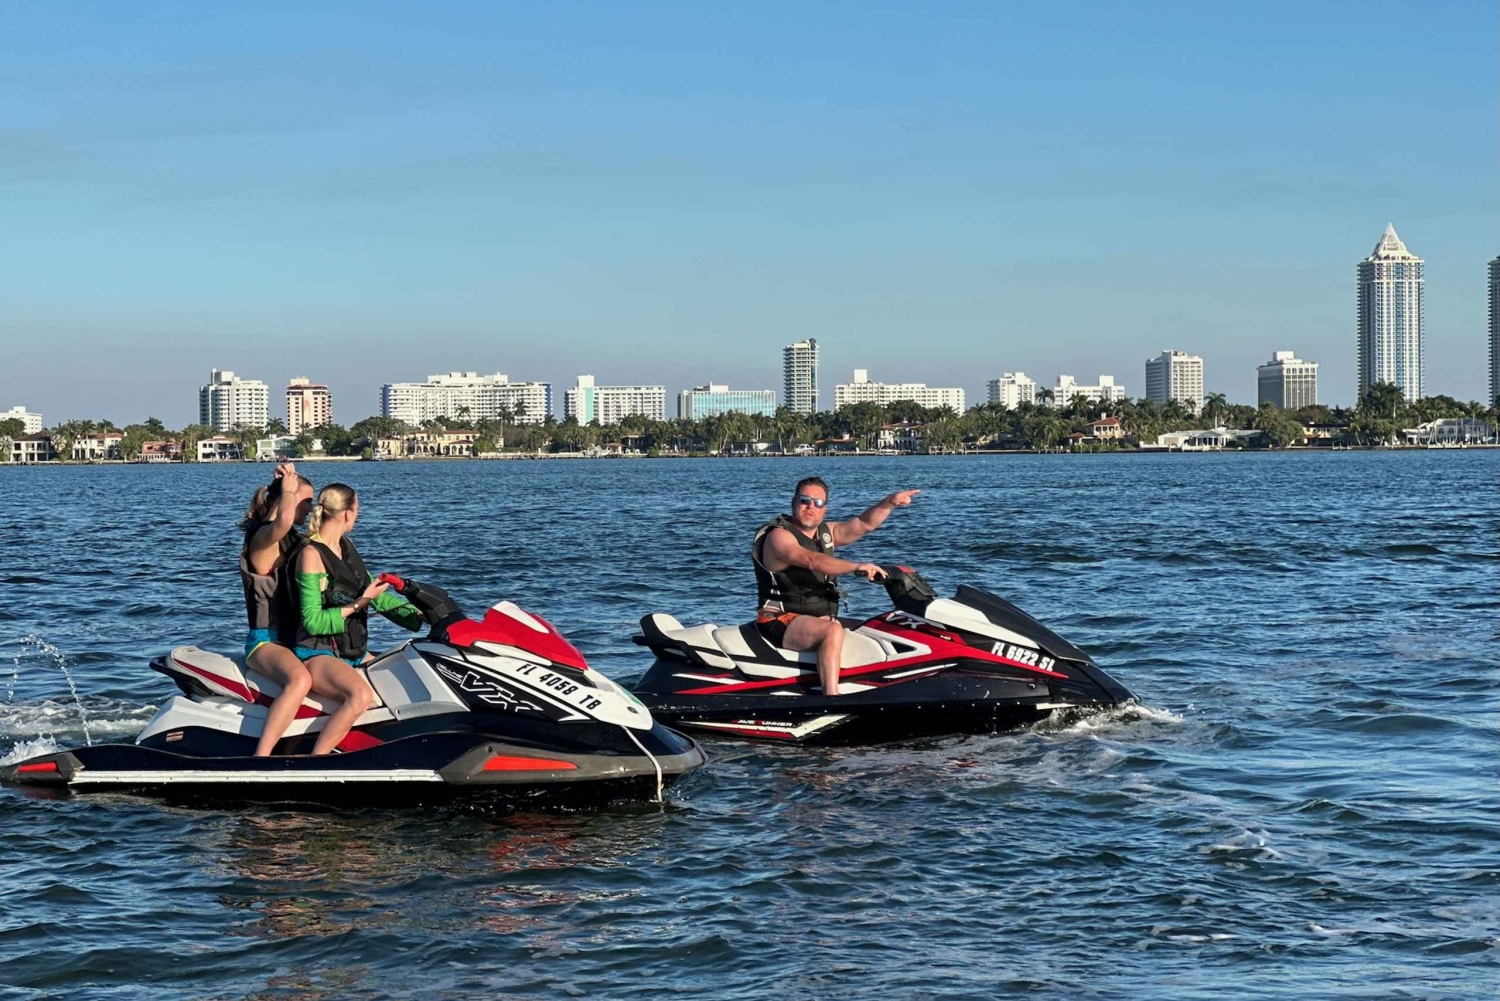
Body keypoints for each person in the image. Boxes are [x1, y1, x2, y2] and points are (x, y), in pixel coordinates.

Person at [753, 476, 919, 696]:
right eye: (805, 500)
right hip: (779, 620)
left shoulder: (825, 534)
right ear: (793, 502)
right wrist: (855, 566)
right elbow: (811, 560)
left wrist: (888, 503)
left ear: (825, 509)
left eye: (818, 503)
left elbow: (862, 524)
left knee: (877, 627)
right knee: (832, 631)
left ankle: (887, 688)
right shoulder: (778, 537)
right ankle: (831, 697)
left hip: (815, 618)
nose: (811, 506)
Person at [291, 483, 423, 754]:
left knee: (407, 677)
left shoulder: (345, 546)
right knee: (360, 695)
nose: (358, 515)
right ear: (347, 514)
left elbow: (371, 592)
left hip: (353, 650)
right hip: (318, 654)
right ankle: (317, 761)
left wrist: (417, 616)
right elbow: (313, 621)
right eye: (358, 509)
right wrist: (359, 604)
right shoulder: (310, 555)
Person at [240, 462, 316, 757]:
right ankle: (262, 757)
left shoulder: (293, 539)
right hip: (265, 641)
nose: (311, 508)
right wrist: (287, 489)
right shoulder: (261, 538)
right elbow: (282, 520)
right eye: (306, 501)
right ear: (287, 500)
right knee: (301, 680)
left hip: (296, 639)